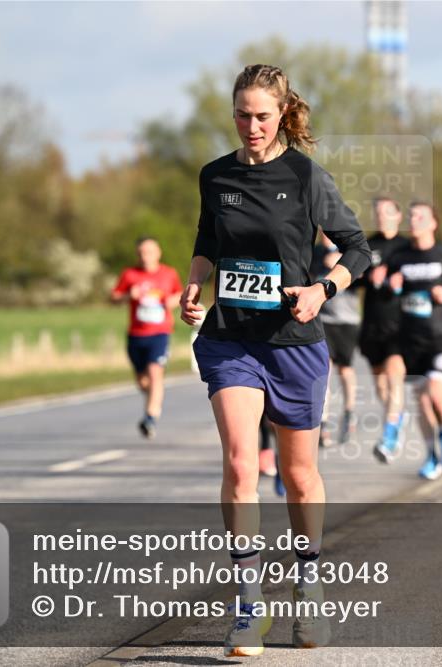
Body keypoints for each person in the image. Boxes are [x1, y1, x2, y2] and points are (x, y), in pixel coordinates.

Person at [180, 64, 370, 657]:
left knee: (299, 475)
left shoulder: (306, 176)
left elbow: (358, 249)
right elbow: (209, 239)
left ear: (283, 113)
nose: (251, 125)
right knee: (241, 465)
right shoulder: (216, 175)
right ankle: (247, 606)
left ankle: (308, 587)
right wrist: (193, 285)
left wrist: (322, 290)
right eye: (242, 114)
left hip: (293, 342)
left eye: (262, 115)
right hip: (231, 338)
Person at [387, 201, 442, 480]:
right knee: (422, 402)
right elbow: (383, 290)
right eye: (411, 216)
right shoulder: (399, 257)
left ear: (433, 223)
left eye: (420, 216)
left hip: (439, 336)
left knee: (436, 394)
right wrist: (390, 286)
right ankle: (432, 454)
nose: (414, 220)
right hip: (410, 339)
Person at [110, 237, 183, 439]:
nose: (145, 256)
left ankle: (150, 418)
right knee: (143, 382)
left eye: (149, 252)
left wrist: (172, 301)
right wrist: (127, 296)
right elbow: (113, 297)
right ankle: (154, 397)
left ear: (158, 253)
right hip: (136, 335)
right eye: (141, 252)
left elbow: (180, 293)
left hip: (160, 333)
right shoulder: (130, 274)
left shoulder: (169, 274)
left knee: (155, 373)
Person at [359, 198, 411, 462]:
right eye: (377, 213)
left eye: (387, 212)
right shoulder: (367, 245)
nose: (381, 217)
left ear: (398, 216)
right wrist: (369, 278)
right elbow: (352, 279)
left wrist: (401, 280)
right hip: (372, 324)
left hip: (400, 326)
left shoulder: (407, 247)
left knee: (394, 377)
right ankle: (398, 416)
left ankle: (389, 438)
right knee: (381, 385)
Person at [315, 233, 361, 447]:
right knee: (325, 369)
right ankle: (322, 422)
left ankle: (349, 412)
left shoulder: (350, 249)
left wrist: (339, 267)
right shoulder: (314, 252)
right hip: (324, 318)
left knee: (345, 370)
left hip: (348, 319)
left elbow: (362, 278)